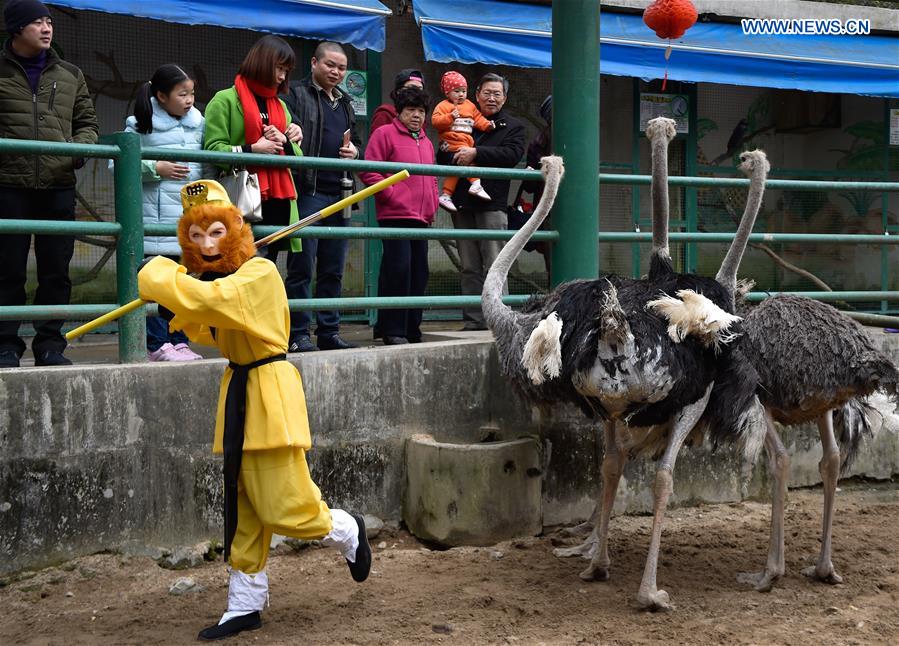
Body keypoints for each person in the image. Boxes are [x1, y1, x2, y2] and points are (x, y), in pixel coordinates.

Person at [137, 180, 371, 641]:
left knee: (287, 506)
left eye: (217, 233)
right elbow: (208, 325)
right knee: (243, 507)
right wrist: (184, 298)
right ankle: (245, 602)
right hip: (240, 390)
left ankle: (347, 529)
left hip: (267, 392)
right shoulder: (226, 282)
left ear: (237, 230)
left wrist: (163, 278)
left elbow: (213, 302)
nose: (207, 245)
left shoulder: (259, 274)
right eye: (196, 237)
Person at [0, 0, 99, 368]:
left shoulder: (70, 74)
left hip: (58, 184)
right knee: (7, 269)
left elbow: (88, 123)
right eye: (37, 22)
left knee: (56, 270)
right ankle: (5, 345)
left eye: (49, 21)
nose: (46, 28)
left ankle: (50, 346)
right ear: (16, 29)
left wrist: (76, 152)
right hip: (8, 184)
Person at [203, 35, 304, 316]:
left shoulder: (281, 106)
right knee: (235, 268)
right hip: (242, 198)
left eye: (286, 70)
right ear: (262, 63)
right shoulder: (224, 100)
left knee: (264, 267)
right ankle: (232, 325)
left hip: (279, 199)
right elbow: (212, 149)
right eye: (278, 68)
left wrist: (286, 140)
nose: (282, 76)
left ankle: (257, 325)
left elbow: (297, 156)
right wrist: (252, 149)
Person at [120, 64, 207, 361]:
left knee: (182, 284)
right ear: (161, 96)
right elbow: (117, 164)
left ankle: (179, 340)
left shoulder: (199, 124)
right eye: (182, 94)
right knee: (156, 285)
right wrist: (155, 168)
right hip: (153, 220)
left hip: (188, 221)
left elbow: (205, 166)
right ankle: (157, 344)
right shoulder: (140, 124)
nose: (189, 100)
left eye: (192, 93)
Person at [283, 41, 361, 353]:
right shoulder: (295, 94)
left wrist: (355, 151)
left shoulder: (345, 102)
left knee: (333, 268)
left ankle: (329, 331)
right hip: (308, 191)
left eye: (341, 68)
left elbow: (358, 141)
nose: (336, 72)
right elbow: (284, 128)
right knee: (301, 266)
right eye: (330, 65)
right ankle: (297, 334)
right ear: (314, 63)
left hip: (341, 192)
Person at [437, 72, 525, 331]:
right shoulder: (461, 118)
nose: (492, 98)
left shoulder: (513, 126)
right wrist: (449, 152)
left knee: (496, 265)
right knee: (469, 266)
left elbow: (512, 154)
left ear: (505, 98)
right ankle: (473, 321)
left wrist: (476, 153)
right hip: (462, 202)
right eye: (487, 93)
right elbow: (442, 154)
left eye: (497, 93)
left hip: (492, 204)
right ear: (476, 95)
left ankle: (500, 322)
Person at [360, 86, 438, 345]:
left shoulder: (426, 141)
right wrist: (392, 195)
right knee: (398, 270)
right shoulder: (384, 134)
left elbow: (432, 177)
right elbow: (369, 170)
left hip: (421, 217)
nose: (416, 115)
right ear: (399, 112)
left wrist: (433, 203)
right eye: (411, 110)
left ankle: (411, 328)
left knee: (419, 272)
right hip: (395, 214)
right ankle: (393, 330)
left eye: (421, 111)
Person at [431, 71, 494, 213]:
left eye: (464, 91)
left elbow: (478, 118)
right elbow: (435, 122)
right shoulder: (442, 106)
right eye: (457, 91)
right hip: (450, 143)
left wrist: (487, 125)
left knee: (459, 167)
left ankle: (446, 194)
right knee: (467, 162)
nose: (461, 94)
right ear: (447, 93)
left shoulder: (469, 105)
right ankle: (475, 184)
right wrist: (450, 117)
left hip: (465, 143)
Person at [368, 68, 424, 134]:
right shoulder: (385, 114)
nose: (416, 93)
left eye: (420, 89)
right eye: (411, 88)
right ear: (399, 91)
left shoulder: (420, 117)